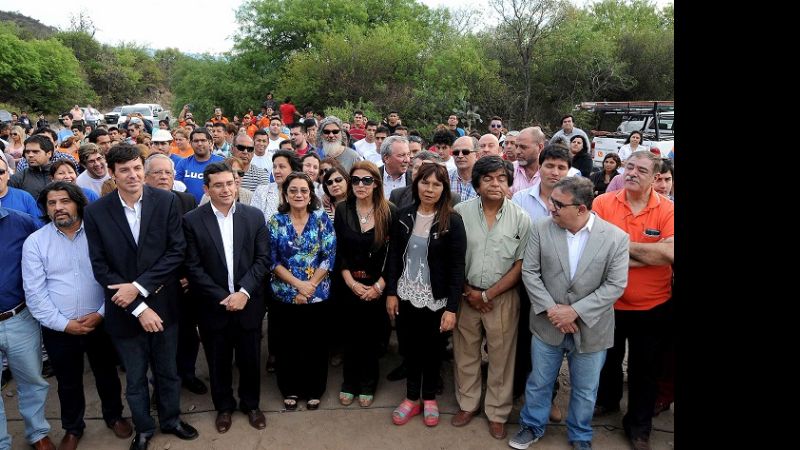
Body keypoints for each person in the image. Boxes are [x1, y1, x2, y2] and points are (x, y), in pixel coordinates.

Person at [83, 144, 198, 449]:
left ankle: (171, 420)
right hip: (124, 311)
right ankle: (144, 428)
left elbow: (176, 251)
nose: (132, 175)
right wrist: (138, 306)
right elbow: (100, 267)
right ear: (112, 173)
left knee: (168, 372)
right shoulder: (96, 212)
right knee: (134, 379)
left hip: (164, 304)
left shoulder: (166, 201)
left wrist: (139, 287)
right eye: (124, 170)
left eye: (136, 168)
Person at [509, 177, 629, 450]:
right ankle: (532, 425)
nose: (551, 207)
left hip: (592, 328)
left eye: (559, 204)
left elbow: (615, 285)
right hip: (547, 324)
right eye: (552, 201)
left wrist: (574, 311)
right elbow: (530, 272)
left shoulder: (616, 238)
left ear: (581, 209)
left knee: (586, 389)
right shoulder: (541, 228)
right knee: (539, 381)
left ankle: (580, 434)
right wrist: (554, 311)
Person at [23, 182, 132, 449]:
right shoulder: (36, 242)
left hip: (101, 321)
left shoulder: (99, 234)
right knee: (67, 381)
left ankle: (114, 416)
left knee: (106, 373)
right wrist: (64, 324)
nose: (58, 207)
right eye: (52, 203)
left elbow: (115, 277)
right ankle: (73, 427)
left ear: (78, 203)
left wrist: (101, 314)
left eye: (65, 201)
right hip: (59, 328)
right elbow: (35, 293)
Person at [592, 151, 674, 450]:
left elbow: (670, 253)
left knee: (645, 370)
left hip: (653, 306)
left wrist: (618, 247)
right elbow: (595, 250)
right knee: (607, 360)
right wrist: (651, 252)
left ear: (655, 177)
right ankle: (607, 400)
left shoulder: (667, 209)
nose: (632, 173)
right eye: (629, 167)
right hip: (608, 303)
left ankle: (639, 427)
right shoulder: (602, 203)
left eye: (641, 170)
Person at [183, 162, 271, 433]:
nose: (225, 189)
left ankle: (251, 404)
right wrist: (223, 297)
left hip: (249, 303)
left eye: (230, 183)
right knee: (217, 360)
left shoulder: (254, 216)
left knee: (250, 359)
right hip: (213, 306)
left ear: (236, 184)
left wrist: (243, 293)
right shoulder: (192, 220)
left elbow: (262, 259)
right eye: (218, 185)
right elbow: (193, 266)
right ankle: (223, 407)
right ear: (206, 189)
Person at [452, 156, 531, 440]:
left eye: (501, 178)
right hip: (466, 294)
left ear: (509, 183)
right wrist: (468, 291)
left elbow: (521, 264)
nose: (495, 184)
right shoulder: (460, 213)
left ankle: (497, 413)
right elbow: (453, 257)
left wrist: (488, 294)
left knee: (501, 357)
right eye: (487, 178)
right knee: (465, 352)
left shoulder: (521, 218)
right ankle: (468, 404)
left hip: (502, 298)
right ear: (477, 184)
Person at [384, 163, 466, 427]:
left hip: (436, 299)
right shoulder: (403, 215)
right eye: (425, 182)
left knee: (433, 350)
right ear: (416, 184)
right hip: (406, 294)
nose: (430, 189)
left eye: (436, 184)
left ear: (444, 189)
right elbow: (394, 256)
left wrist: (451, 308)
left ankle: (429, 397)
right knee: (410, 348)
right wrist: (392, 292)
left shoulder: (452, 221)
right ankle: (411, 398)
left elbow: (457, 267)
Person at [267, 172, 336, 411]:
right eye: (293, 190)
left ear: (310, 194)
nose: (298, 195)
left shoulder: (321, 219)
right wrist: (298, 285)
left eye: (304, 190)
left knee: (315, 343)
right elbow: (271, 260)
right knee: (288, 343)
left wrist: (309, 286)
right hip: (284, 294)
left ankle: (315, 389)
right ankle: (290, 388)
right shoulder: (276, 221)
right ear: (285, 194)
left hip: (317, 293)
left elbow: (329, 256)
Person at [335, 161, 397, 408]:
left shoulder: (389, 211)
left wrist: (380, 286)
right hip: (349, 284)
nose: (361, 185)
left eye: (367, 180)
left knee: (371, 339)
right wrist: (350, 282)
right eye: (356, 180)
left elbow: (394, 254)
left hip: (377, 286)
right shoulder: (343, 209)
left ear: (376, 183)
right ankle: (349, 382)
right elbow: (339, 250)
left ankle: (368, 384)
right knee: (350, 336)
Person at [0, 204, 54, 450]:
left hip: (19, 317)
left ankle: (37, 432)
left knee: (32, 379)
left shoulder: (21, 221)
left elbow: (50, 248)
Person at [174, 128, 225, 202]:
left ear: (210, 143)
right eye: (196, 141)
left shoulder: (221, 162)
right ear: (190, 143)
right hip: (188, 207)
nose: (199, 144)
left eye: (203, 140)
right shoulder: (183, 163)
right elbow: (177, 188)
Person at [251, 150, 301, 223]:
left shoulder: (303, 193)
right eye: (274, 167)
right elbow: (253, 220)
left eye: (282, 167)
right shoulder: (262, 191)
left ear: (293, 170)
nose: (276, 171)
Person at [448, 136, 479, 203]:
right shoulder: (445, 178)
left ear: (476, 155)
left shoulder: (484, 180)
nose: (460, 156)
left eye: (465, 152)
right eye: (456, 152)